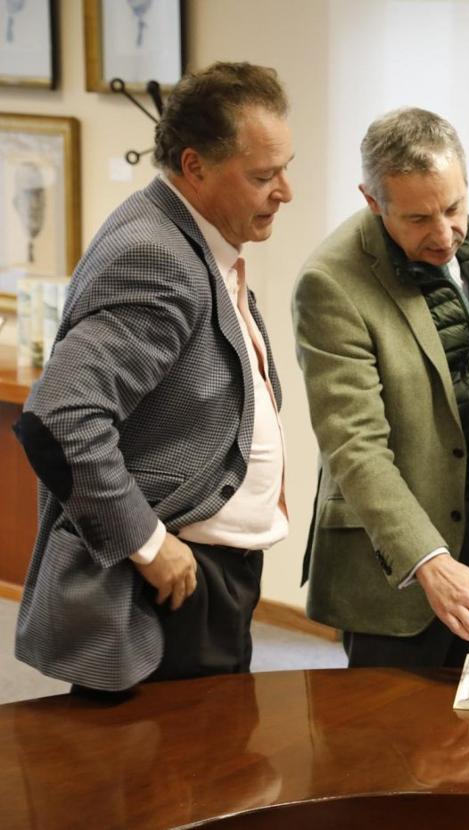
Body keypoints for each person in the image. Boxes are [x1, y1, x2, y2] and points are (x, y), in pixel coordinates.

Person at [12, 62, 295, 694]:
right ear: (194, 167)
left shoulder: (190, 238)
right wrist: (148, 543)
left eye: (285, 167)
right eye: (263, 175)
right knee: (168, 782)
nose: (285, 191)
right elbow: (58, 419)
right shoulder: (156, 256)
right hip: (168, 587)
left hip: (206, 577)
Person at [292, 107, 469, 669]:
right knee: (387, 749)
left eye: (453, 208)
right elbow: (355, 447)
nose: (443, 235)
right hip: (393, 570)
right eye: (418, 219)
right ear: (373, 202)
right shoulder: (330, 284)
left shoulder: (462, 250)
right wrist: (431, 561)